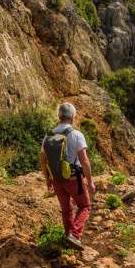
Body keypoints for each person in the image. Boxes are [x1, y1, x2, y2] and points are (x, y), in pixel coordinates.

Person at [41, 102, 95, 250]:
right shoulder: (76, 134)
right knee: (85, 205)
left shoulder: (48, 135)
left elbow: (43, 159)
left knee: (66, 209)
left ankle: (68, 238)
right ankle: (75, 235)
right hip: (73, 179)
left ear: (59, 116)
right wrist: (90, 182)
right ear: (72, 117)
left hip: (57, 180)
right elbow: (84, 160)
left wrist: (48, 179)